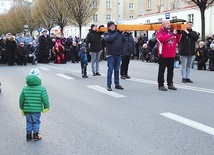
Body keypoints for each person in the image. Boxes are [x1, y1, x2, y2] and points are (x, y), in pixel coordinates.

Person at [19, 68, 49, 141]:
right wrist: (46, 106)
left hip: (27, 110)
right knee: (36, 122)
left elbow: (21, 99)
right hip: (36, 110)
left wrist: (21, 107)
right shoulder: (42, 89)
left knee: (29, 122)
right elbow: (45, 99)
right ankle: (35, 135)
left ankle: (28, 135)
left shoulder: (25, 89)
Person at [156, 20, 181, 91]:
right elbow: (162, 39)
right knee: (162, 71)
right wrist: (172, 34)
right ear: (162, 24)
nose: (169, 25)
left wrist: (178, 33)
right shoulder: (159, 32)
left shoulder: (171, 32)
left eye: (169, 23)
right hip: (163, 54)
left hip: (171, 54)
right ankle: (161, 85)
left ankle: (170, 83)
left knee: (171, 71)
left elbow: (177, 40)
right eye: (167, 23)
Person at [104, 21, 125, 91]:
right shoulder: (106, 34)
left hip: (118, 54)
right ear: (108, 27)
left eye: (113, 26)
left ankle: (117, 84)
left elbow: (123, 41)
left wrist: (122, 33)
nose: (113, 27)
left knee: (117, 70)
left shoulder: (119, 34)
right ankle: (108, 85)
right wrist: (116, 33)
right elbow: (109, 39)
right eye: (111, 26)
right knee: (110, 70)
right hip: (110, 55)